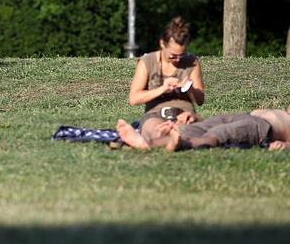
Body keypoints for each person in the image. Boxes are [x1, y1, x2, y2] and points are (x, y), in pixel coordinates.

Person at [116, 17, 206, 149]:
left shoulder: (192, 62)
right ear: (162, 44)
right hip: (156, 113)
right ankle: (169, 141)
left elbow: (200, 100)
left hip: (184, 114)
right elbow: (133, 99)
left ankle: (157, 143)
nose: (177, 60)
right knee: (156, 131)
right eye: (173, 56)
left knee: (187, 130)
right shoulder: (147, 61)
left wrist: (190, 88)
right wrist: (162, 88)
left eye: (182, 55)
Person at [162, 106, 290, 152]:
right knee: (197, 128)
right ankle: (148, 143)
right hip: (245, 116)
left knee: (219, 134)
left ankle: (184, 144)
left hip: (261, 127)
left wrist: (285, 145)